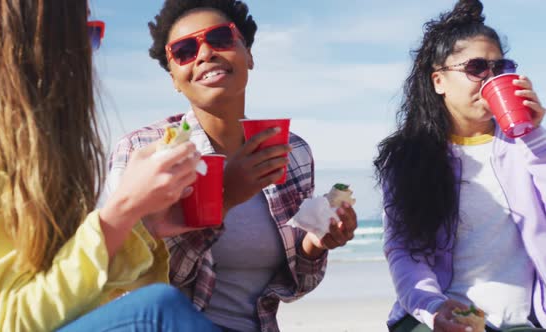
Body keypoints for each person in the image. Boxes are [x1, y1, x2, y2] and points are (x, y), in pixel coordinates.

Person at [0, 0, 221, 331]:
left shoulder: (38, 155)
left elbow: (72, 298)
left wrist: (144, 226)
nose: (88, 57)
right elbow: (13, 319)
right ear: (23, 46)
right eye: (81, 36)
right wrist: (123, 209)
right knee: (158, 311)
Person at [105, 0, 358, 331]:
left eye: (221, 38)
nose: (205, 53)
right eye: (184, 50)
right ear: (174, 79)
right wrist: (224, 197)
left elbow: (293, 286)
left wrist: (316, 244)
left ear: (249, 55)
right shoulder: (144, 151)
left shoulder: (292, 151)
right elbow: (138, 282)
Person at [374, 0, 546, 331]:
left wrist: (535, 136)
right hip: (440, 312)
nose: (490, 78)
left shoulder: (527, 147)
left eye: (500, 67)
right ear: (438, 81)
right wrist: (433, 307)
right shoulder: (410, 158)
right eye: (477, 67)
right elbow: (404, 251)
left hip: (525, 319)